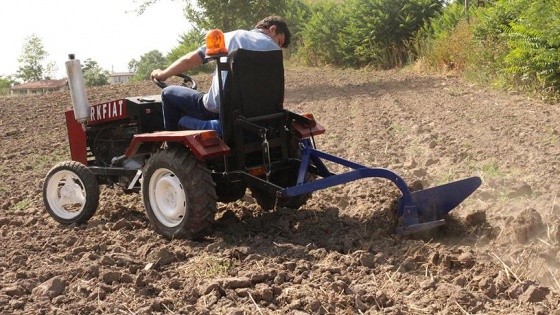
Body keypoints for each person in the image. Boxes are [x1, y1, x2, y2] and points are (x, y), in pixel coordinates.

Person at [150, 16, 291, 135]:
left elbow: (189, 60)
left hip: (221, 110)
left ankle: (172, 152)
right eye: (279, 41)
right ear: (272, 29)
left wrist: (163, 74)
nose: (277, 46)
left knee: (168, 93)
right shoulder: (274, 52)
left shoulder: (231, 37)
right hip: (259, 114)